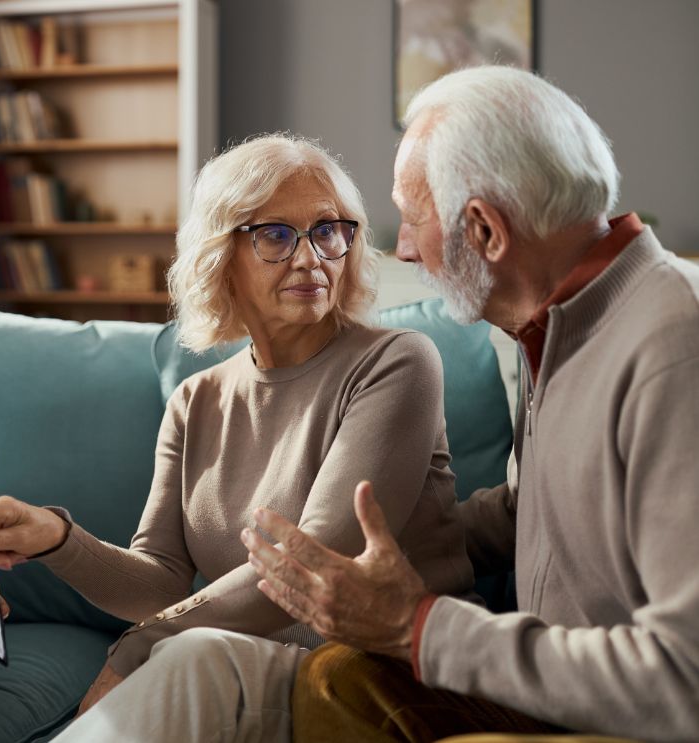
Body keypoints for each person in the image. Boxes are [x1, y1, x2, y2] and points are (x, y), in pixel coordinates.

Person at [0, 133, 475, 740]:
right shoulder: (198, 399)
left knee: (190, 657)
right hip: (260, 661)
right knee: (191, 654)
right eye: (274, 234)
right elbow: (160, 580)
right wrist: (59, 538)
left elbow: (309, 566)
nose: (310, 258)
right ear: (221, 255)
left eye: (327, 230)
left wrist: (144, 643)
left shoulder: (397, 362)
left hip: (377, 673)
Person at [244, 66, 699, 742]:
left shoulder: (671, 350)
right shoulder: (555, 323)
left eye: (410, 218)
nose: (400, 248)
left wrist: (415, 623)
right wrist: (389, 535)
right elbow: (542, 511)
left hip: (638, 713)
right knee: (336, 678)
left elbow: (683, 679)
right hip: (556, 685)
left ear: (484, 229)